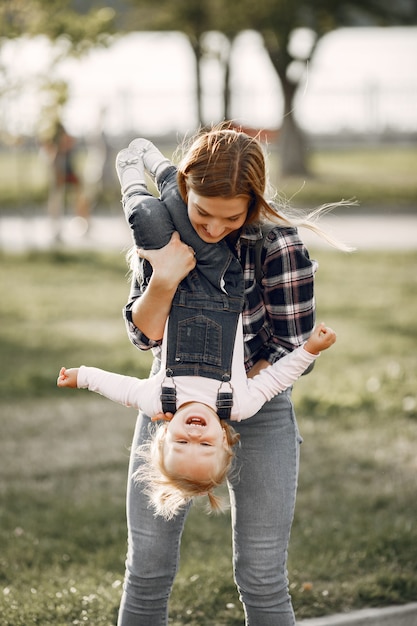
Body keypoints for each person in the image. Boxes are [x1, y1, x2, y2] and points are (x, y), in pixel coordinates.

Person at [114, 125, 347, 626]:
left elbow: (287, 348)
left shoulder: (279, 244)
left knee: (261, 576)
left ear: (253, 205)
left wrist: (234, 395)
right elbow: (144, 337)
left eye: (231, 217)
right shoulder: (163, 230)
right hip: (171, 407)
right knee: (147, 571)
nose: (215, 228)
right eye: (202, 212)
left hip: (258, 407)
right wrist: (166, 275)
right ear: (183, 189)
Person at [57, 321, 335, 514]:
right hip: (228, 287)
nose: (194, 436)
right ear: (225, 439)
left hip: (182, 287)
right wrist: (310, 350)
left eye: (181, 443)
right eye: (205, 446)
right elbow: (276, 377)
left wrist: (82, 377)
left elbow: (119, 387)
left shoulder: (156, 399)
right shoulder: (240, 404)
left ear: (164, 432)